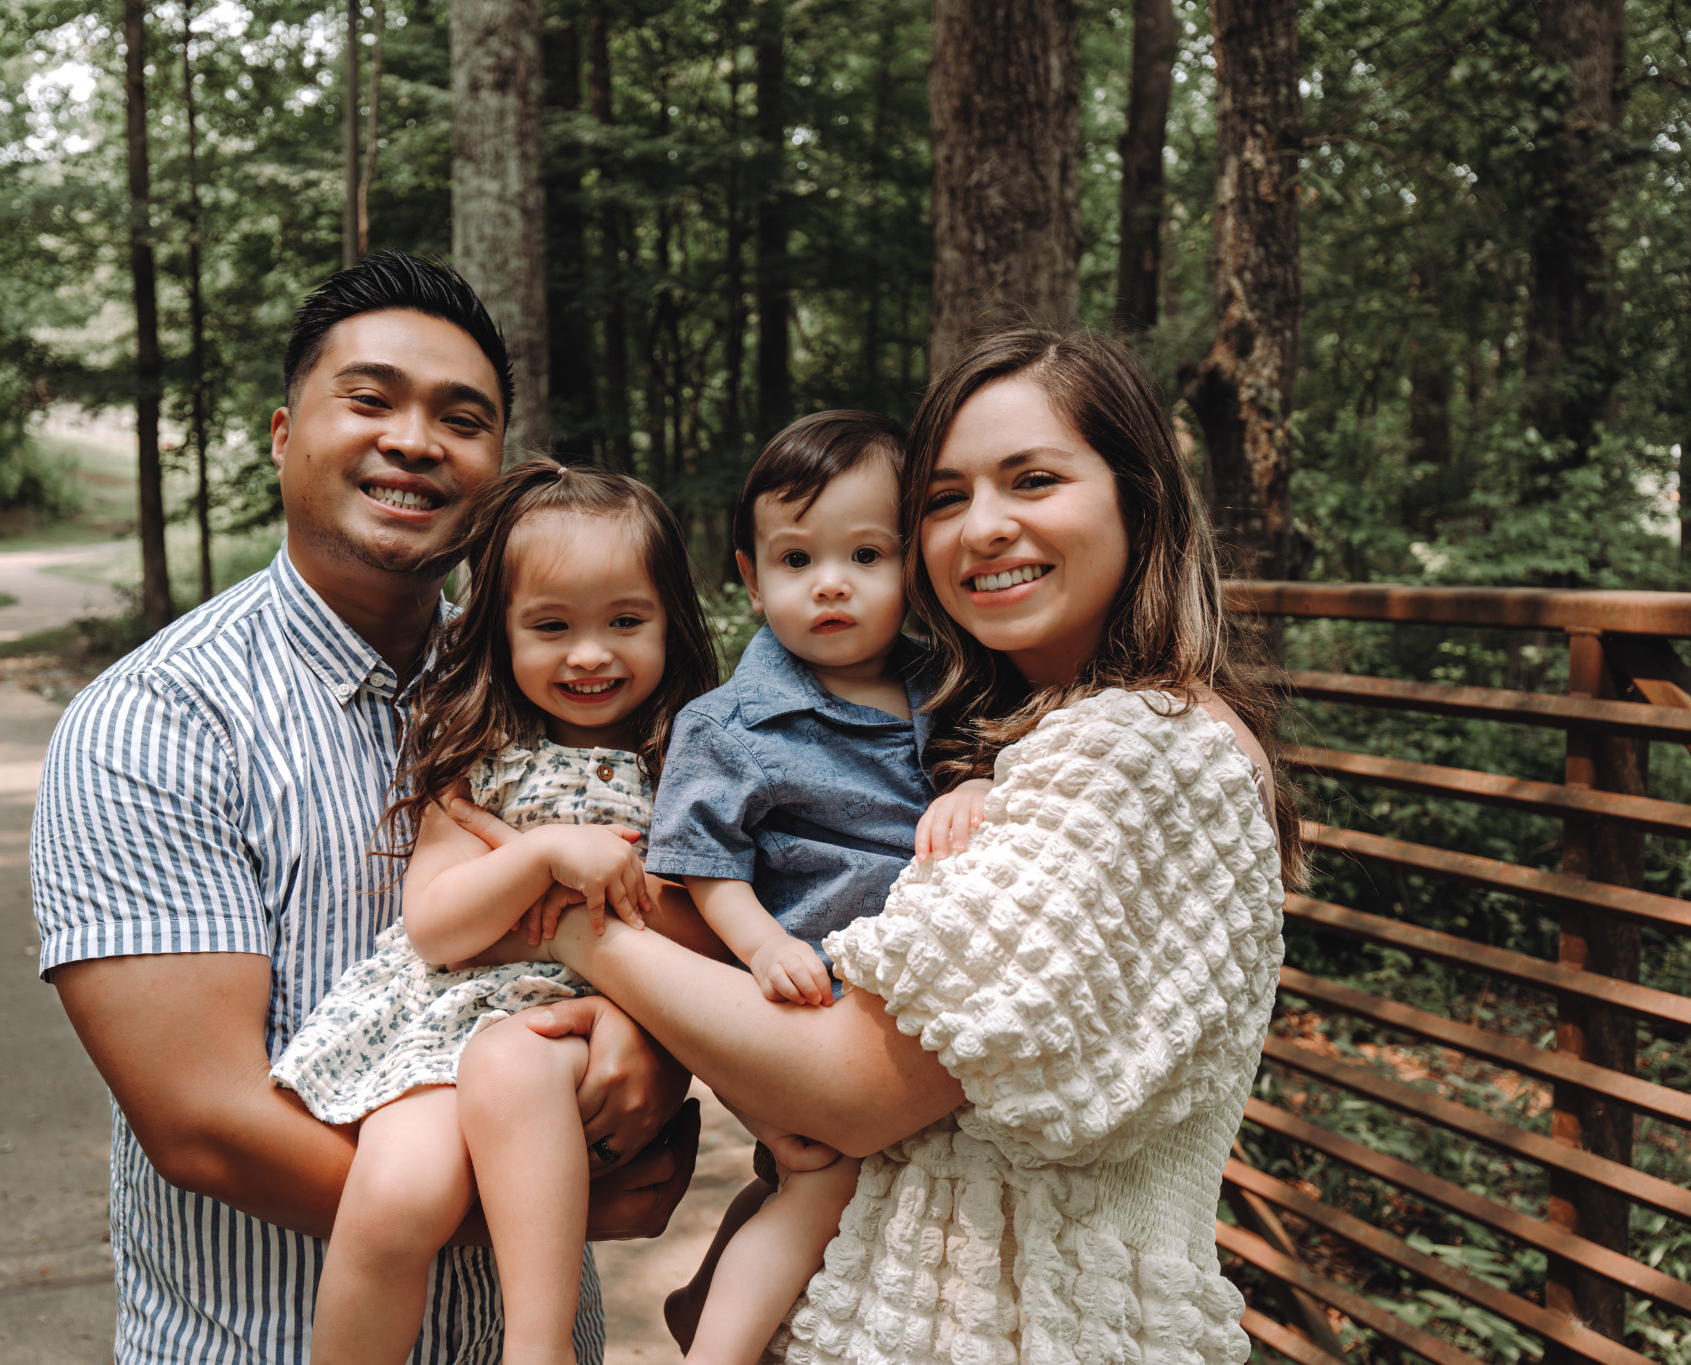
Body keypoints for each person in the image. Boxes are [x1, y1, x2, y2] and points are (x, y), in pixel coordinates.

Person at [454, 328, 1305, 1365]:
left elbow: (851, 1090)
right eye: (945, 498)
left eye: (1033, 479)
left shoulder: (1134, 747)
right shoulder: (1004, 729)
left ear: (1139, 496)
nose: (983, 526)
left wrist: (569, 927)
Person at [28, 254, 699, 1364]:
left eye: (462, 419)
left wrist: (650, 1045)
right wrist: (546, 1203)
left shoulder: (557, 681)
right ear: (284, 433)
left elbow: (671, 919)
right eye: (371, 399)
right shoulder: (154, 723)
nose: (416, 441)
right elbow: (204, 1127)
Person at [270, 458, 719, 1365]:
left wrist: (605, 918)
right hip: (448, 1024)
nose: (588, 654)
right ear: (500, 631)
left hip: (575, 1027)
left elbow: (716, 934)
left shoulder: (695, 762)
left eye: (625, 621)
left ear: (672, 620)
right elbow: (436, 926)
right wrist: (543, 854)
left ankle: (537, 1349)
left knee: (517, 1068)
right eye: (551, 626)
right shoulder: (482, 755)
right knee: (393, 1195)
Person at [642, 411, 935, 1364]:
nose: (830, 583)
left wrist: (972, 786)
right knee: (821, 1182)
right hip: (814, 998)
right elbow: (701, 863)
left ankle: (707, 1297)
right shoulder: (729, 724)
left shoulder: (955, 691)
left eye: (866, 555)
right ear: (751, 574)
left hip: (922, 991)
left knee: (827, 1186)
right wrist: (763, 944)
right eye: (797, 559)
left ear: (914, 563)